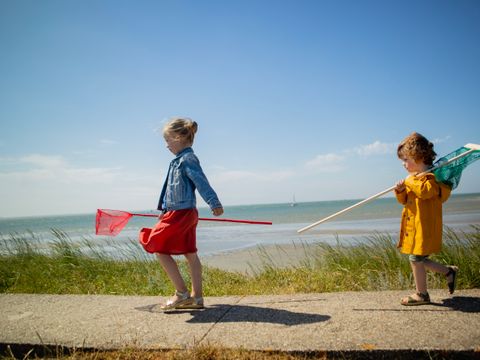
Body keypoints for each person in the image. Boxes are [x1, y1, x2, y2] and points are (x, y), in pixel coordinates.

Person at [139, 117, 224, 311]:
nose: (166, 145)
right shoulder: (177, 161)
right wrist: (164, 210)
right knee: (190, 254)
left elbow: (200, 181)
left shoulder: (187, 159)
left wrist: (214, 202)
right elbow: (170, 190)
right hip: (181, 212)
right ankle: (197, 297)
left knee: (157, 246)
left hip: (181, 213)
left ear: (178, 137)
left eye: (167, 140)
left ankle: (181, 293)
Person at [394, 132, 457, 306]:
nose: (403, 164)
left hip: (425, 227)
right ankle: (448, 272)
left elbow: (425, 191)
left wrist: (409, 181)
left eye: (406, 159)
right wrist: (401, 190)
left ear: (418, 157)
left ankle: (422, 294)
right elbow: (405, 201)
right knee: (419, 259)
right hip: (415, 227)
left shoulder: (432, 178)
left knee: (415, 259)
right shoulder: (415, 179)